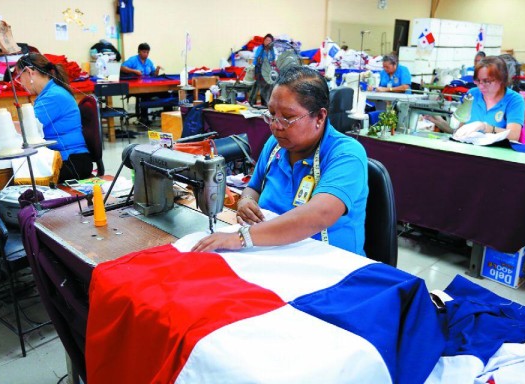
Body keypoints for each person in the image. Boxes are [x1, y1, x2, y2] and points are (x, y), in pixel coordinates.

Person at [193, 66, 369, 255]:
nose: (276, 126)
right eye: (271, 114)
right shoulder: (275, 145)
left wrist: (242, 237)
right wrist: (245, 201)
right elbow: (254, 188)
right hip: (273, 251)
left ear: (319, 116)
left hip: (330, 263)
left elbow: (319, 215)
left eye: (287, 117)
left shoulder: (346, 155)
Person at [14, 53, 92, 182]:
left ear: (29, 72)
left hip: (72, 162)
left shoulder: (53, 96)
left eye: (19, 76)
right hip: (65, 158)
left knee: (17, 176)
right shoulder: (50, 93)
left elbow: (27, 128)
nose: (20, 83)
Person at [451, 56, 525, 141]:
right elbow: (458, 130)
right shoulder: (472, 94)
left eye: (486, 81)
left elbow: (513, 136)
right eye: (478, 80)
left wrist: (484, 127)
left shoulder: (514, 100)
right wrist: (439, 121)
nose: (480, 86)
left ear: (502, 79)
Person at [121, 43, 164, 125]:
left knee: (165, 93)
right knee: (145, 94)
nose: (146, 54)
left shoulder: (149, 62)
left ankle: (167, 117)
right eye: (144, 52)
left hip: (148, 85)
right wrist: (134, 71)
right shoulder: (133, 60)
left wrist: (157, 69)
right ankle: (144, 118)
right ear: (139, 51)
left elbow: (154, 75)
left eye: (147, 52)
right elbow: (122, 68)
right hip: (136, 87)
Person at [250, 34, 276, 105]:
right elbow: (257, 59)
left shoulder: (272, 50)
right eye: (266, 40)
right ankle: (253, 103)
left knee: (267, 86)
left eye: (269, 40)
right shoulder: (260, 48)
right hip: (259, 69)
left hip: (267, 70)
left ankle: (265, 103)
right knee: (259, 86)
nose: (267, 42)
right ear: (264, 41)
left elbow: (273, 59)